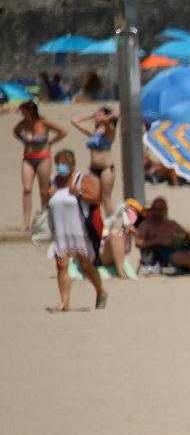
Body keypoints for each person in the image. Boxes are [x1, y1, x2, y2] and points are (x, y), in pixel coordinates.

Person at [43, 148, 106, 312]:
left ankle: (101, 291)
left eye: (64, 163)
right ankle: (64, 302)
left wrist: (79, 194)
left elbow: (96, 198)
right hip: (60, 231)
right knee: (61, 266)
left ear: (72, 165)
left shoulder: (81, 179)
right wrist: (49, 194)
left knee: (85, 265)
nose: (60, 167)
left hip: (79, 231)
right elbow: (48, 204)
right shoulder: (54, 181)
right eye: (58, 163)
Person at [134, 196, 190, 275]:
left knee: (189, 254)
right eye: (157, 209)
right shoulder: (146, 225)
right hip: (160, 253)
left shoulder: (171, 224)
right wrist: (156, 240)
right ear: (153, 209)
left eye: (162, 209)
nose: (159, 212)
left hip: (178, 248)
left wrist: (185, 238)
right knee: (184, 257)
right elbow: (138, 243)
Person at [14, 100, 66, 231]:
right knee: (27, 189)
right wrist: (23, 140)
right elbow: (15, 132)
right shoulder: (23, 124)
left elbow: (63, 131)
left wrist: (51, 142)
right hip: (28, 159)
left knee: (44, 191)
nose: (22, 114)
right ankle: (25, 222)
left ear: (31, 111)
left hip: (43, 158)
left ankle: (44, 220)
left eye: (24, 111)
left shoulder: (43, 122)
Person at [69, 107, 117, 214]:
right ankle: (96, 221)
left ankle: (111, 221)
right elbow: (74, 120)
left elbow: (108, 121)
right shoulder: (93, 132)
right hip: (93, 169)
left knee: (106, 197)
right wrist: (91, 114)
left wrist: (105, 117)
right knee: (92, 195)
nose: (96, 116)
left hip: (106, 168)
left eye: (99, 114)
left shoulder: (109, 131)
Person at [98, 196, 142, 279]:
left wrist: (128, 232)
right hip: (101, 254)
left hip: (108, 252)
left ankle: (121, 272)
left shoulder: (129, 227)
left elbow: (126, 250)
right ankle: (121, 272)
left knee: (115, 234)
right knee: (114, 234)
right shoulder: (112, 222)